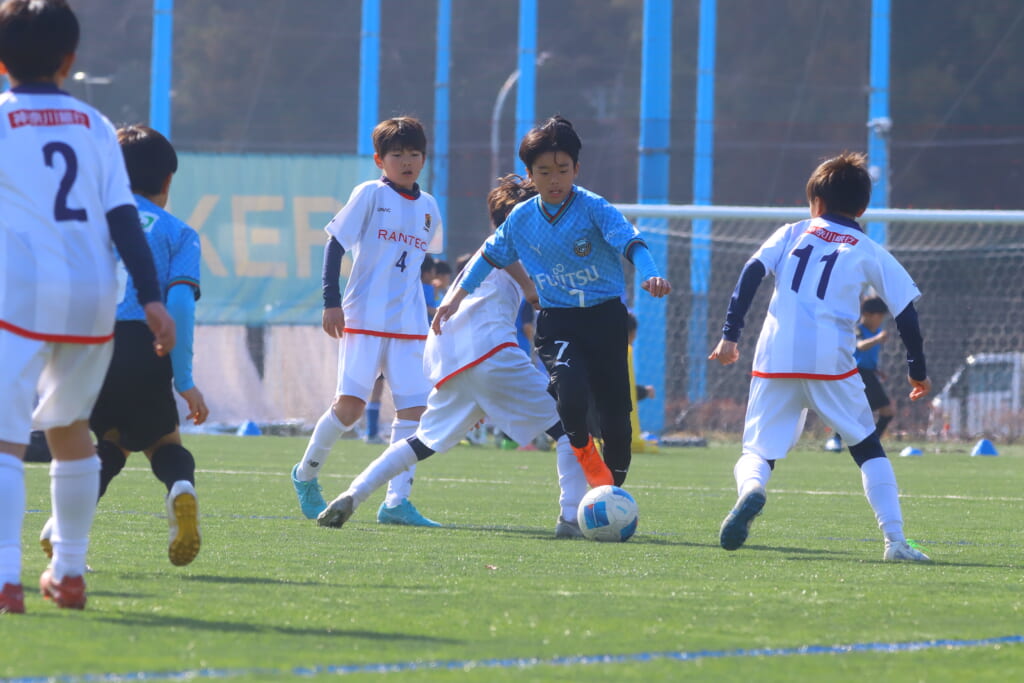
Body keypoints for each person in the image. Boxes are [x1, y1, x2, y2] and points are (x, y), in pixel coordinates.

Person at [0, 0, 175, 613]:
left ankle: (7, 577)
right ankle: (69, 572)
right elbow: (123, 218)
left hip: (19, 293)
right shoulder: (95, 125)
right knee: (71, 429)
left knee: (4, 440)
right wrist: (151, 298)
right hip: (91, 296)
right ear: (70, 60)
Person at [317, 175, 589, 538]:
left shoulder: (482, 258)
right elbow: (507, 245)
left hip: (451, 361)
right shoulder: (513, 245)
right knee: (570, 429)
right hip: (492, 352)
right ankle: (571, 518)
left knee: (421, 443)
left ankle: (354, 493)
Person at [708, 151, 932, 562]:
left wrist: (729, 336)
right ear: (862, 208)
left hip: (775, 358)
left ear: (816, 202)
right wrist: (916, 369)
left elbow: (751, 273)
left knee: (757, 452)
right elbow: (906, 312)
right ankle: (896, 541)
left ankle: (753, 489)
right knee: (866, 448)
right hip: (831, 364)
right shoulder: (868, 249)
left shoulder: (791, 232)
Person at [436, 116, 671, 488]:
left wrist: (651, 273)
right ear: (530, 175)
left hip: (605, 319)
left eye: (563, 170)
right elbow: (487, 257)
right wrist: (454, 300)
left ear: (576, 169)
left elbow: (631, 242)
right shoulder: (521, 218)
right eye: (544, 172)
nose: (555, 179)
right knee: (570, 394)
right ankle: (585, 454)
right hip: (558, 321)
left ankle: (611, 492)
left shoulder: (594, 207)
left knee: (615, 420)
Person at [38, 124, 207, 568]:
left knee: (106, 442)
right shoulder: (178, 233)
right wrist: (185, 380)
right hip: (142, 344)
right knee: (163, 441)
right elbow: (179, 306)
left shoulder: (84, 222)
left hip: (84, 342)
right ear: (167, 181)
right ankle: (180, 488)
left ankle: (61, 528)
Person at [291, 116, 443, 527]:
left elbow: (420, 265)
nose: (407, 162)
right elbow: (335, 243)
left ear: (424, 159)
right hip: (364, 319)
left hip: (409, 325)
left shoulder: (429, 207)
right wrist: (331, 301)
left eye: (414, 154)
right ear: (380, 160)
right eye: (397, 155)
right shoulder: (370, 194)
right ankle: (305, 474)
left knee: (415, 411)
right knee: (350, 409)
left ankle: (396, 502)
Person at [824, 296, 894, 451]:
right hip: (857, 373)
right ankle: (861, 443)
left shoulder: (876, 331)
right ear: (867, 314)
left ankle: (858, 442)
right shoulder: (857, 330)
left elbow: (868, 356)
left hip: (869, 373)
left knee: (859, 410)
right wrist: (877, 339)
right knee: (883, 411)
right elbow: (860, 346)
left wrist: (877, 370)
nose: (880, 321)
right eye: (879, 317)